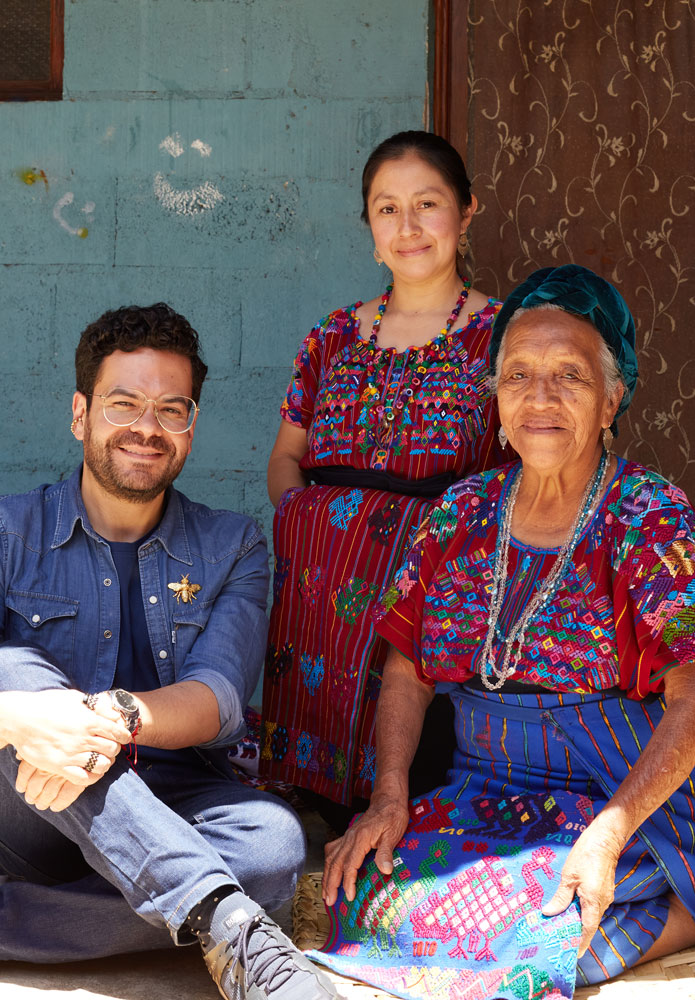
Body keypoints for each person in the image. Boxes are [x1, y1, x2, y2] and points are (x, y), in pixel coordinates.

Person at [318, 265, 695, 1000]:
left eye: (571, 376)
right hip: (485, 789)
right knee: (365, 898)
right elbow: (407, 668)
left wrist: (611, 833)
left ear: (611, 400)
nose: (541, 397)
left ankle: (690, 901)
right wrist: (390, 796)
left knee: (530, 940)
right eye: (519, 375)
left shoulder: (650, 516)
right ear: (495, 400)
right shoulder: (460, 512)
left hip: (618, 791)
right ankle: (631, 899)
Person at [0, 304, 338, 1000]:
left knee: (273, 845)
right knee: (7, 675)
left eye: (172, 409)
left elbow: (220, 698)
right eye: (123, 404)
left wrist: (112, 717)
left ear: (190, 429)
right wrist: (35, 721)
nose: (147, 427)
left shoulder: (233, 545)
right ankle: (232, 925)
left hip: (178, 798)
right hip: (34, 811)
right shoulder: (5, 530)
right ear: (80, 415)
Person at [261, 131, 509, 820]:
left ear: (466, 213)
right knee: (309, 809)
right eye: (386, 208)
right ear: (370, 228)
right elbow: (286, 458)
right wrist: (310, 519)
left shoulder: (503, 337)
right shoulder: (332, 337)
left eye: (427, 204)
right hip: (318, 591)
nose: (408, 227)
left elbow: (517, 480)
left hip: (429, 593)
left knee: (418, 788)